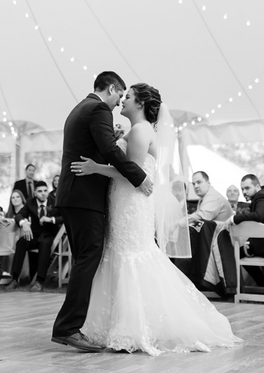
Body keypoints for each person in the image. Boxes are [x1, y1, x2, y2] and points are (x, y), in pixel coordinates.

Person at [71, 82, 238, 355]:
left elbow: (130, 172)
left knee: (130, 255)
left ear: (140, 104)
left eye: (128, 97)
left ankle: (132, 327)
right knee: (128, 254)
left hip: (129, 202)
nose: (123, 101)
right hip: (127, 201)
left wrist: (95, 168)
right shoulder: (143, 130)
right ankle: (123, 324)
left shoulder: (140, 130)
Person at [51, 71, 153, 352]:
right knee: (88, 259)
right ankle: (68, 328)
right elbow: (108, 149)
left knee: (85, 260)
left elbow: (98, 144)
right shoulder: (98, 108)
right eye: (120, 95)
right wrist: (140, 176)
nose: (120, 102)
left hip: (73, 197)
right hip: (84, 198)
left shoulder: (80, 107)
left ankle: (70, 326)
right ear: (111, 88)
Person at [7, 183, 61, 291]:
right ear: (35, 193)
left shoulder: (55, 201)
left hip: (49, 235)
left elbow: (64, 217)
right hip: (35, 235)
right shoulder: (30, 202)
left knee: (44, 245)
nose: (43, 194)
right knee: (21, 242)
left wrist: (51, 219)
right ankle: (15, 279)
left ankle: (39, 281)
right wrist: (24, 224)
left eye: (45, 191)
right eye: (40, 191)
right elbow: (19, 215)